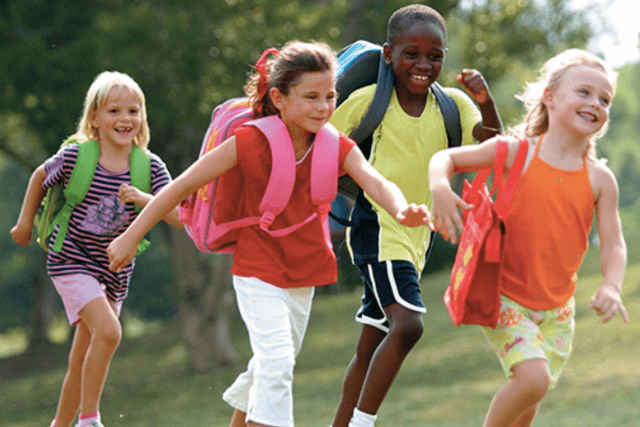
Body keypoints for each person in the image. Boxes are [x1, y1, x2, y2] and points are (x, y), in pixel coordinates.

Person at [105, 41, 433, 427]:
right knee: (277, 365)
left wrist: (401, 208)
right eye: (310, 97)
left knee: (270, 364)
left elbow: (377, 183)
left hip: (306, 270)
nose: (323, 107)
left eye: (330, 96)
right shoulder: (249, 141)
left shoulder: (335, 146)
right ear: (279, 98)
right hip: (258, 269)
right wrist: (130, 235)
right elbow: (178, 188)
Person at [428, 48, 629, 427]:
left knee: (530, 399)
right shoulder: (514, 152)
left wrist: (612, 286)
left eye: (604, 99)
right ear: (549, 98)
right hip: (505, 297)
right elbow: (447, 159)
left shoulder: (601, 179)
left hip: (558, 309)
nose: (596, 104)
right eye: (584, 92)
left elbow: (614, 243)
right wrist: (440, 188)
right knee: (533, 380)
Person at [329, 4, 502, 427]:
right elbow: (322, 145)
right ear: (389, 54)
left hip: (415, 240)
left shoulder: (453, 106)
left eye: (435, 55)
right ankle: (362, 424)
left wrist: (485, 100)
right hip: (377, 227)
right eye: (412, 53)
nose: (423, 64)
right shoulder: (369, 102)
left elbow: (490, 145)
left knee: (369, 348)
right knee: (408, 327)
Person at [10, 71, 183, 427]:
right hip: (71, 258)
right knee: (109, 332)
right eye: (114, 111)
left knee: (82, 357)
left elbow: (181, 217)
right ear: (94, 119)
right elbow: (40, 177)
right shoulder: (77, 157)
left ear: (142, 118)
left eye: (133, 111)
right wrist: (24, 223)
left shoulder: (150, 167)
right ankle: (89, 420)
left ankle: (60, 424)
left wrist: (147, 199)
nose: (124, 119)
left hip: (115, 269)